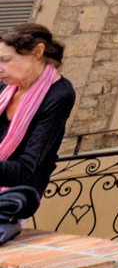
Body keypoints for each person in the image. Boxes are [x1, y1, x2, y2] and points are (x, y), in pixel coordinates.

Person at [0, 23, 75, 246]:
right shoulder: (4, 86)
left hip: (16, 192)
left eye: (5, 60)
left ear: (37, 53)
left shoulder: (59, 95)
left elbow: (23, 170)